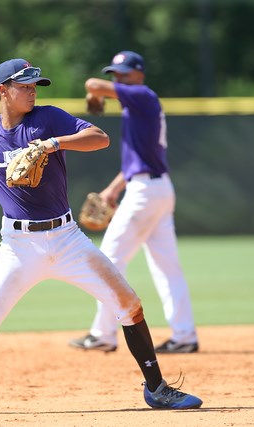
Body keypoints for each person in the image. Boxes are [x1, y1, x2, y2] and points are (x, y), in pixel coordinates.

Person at [0, 58, 202, 415]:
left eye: (33, 86)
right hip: (18, 247)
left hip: (67, 238)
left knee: (129, 306)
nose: (31, 92)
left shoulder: (47, 119)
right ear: (2, 91)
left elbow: (99, 138)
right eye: (23, 86)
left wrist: (51, 144)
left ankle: (156, 389)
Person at [70, 51, 199, 354]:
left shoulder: (142, 95)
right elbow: (136, 163)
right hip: (154, 188)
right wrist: (112, 190)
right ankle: (184, 335)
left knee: (109, 258)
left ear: (139, 74)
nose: (119, 78)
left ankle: (103, 333)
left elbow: (92, 83)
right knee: (167, 268)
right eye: (116, 73)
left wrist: (94, 93)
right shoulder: (135, 108)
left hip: (146, 193)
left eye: (125, 73)